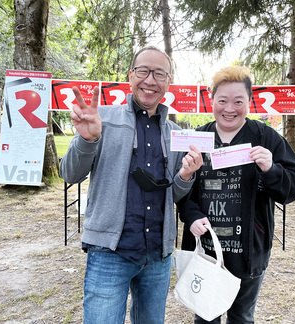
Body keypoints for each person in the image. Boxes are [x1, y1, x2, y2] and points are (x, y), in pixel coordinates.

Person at [59, 46, 203, 324]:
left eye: (159, 73)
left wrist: (185, 176)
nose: (150, 80)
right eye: (143, 71)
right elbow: (70, 174)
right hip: (109, 253)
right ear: (130, 76)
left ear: (168, 82)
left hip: (157, 256)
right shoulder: (102, 118)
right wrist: (87, 140)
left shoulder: (175, 133)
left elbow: (173, 194)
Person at [177, 66, 295, 323]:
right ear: (211, 99)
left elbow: (294, 187)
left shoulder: (265, 137)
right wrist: (191, 215)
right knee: (205, 317)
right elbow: (181, 188)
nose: (229, 109)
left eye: (238, 101)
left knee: (242, 318)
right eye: (222, 100)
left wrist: (271, 169)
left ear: (249, 102)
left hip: (248, 252)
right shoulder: (197, 139)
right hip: (205, 250)